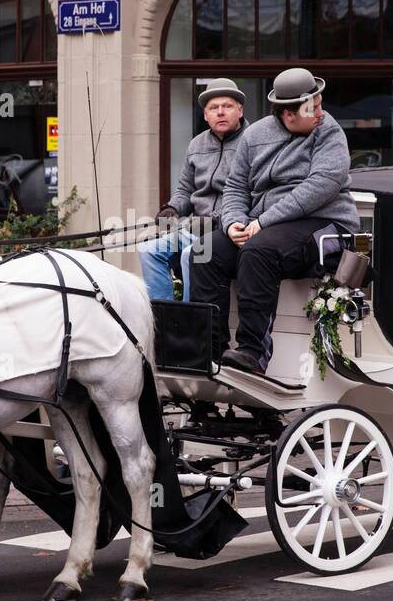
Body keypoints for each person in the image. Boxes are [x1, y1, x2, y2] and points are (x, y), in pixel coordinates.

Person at [190, 67, 359, 375]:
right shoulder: (255, 136)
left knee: (259, 250)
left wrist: (262, 222)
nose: (321, 112)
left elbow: (321, 185)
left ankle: (253, 353)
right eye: (314, 108)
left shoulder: (329, 131)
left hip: (324, 221)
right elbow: (236, 187)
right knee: (203, 252)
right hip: (265, 226)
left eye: (320, 103)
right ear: (288, 114)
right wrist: (232, 222)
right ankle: (210, 352)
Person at [140, 78, 246, 301]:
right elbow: (185, 190)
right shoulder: (196, 144)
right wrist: (172, 208)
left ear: (240, 110)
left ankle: (191, 325)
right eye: (213, 108)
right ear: (205, 115)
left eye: (227, 106)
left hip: (230, 229)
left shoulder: (252, 141)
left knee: (192, 255)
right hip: (195, 228)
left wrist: (214, 219)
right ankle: (163, 319)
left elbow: (251, 193)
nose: (220, 112)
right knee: (148, 250)